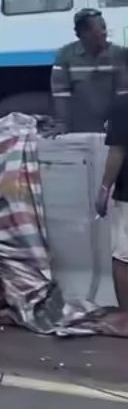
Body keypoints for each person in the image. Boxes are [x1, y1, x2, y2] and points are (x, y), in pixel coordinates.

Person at [51, 8, 128, 133]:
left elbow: (123, 93)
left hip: (113, 127)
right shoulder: (65, 56)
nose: (104, 33)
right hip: (80, 128)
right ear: (83, 33)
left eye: (104, 28)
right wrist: (62, 123)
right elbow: (61, 95)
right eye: (99, 29)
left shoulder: (118, 54)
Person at [95, 94, 128, 308]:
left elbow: (117, 151)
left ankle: (126, 316)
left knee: (124, 258)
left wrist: (104, 189)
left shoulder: (123, 106)